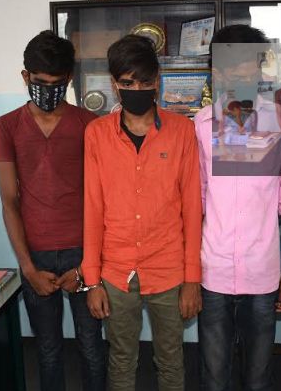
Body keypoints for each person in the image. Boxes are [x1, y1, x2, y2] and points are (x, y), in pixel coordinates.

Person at [82, 34, 202, 391]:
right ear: (114, 84)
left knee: (171, 360)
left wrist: (192, 279)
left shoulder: (182, 131)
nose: (137, 90)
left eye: (145, 82)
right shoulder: (96, 134)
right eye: (127, 83)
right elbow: (92, 209)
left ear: (157, 81)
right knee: (121, 359)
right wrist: (92, 280)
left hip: (169, 268)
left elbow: (192, 208)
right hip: (116, 270)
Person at [0, 30, 105, 391]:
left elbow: (101, 199)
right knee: (47, 349)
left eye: (57, 84)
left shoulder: (90, 124)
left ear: (69, 79)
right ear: (25, 76)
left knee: (91, 346)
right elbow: (9, 200)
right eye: (40, 82)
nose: (48, 90)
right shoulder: (7, 126)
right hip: (35, 255)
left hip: (82, 253)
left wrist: (87, 265)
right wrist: (28, 268)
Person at [195, 24, 281, 391]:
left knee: (258, 377)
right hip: (214, 268)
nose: (241, 78)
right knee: (214, 376)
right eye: (232, 70)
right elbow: (199, 195)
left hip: (262, 269)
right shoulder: (201, 124)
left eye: (249, 69)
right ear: (217, 71)